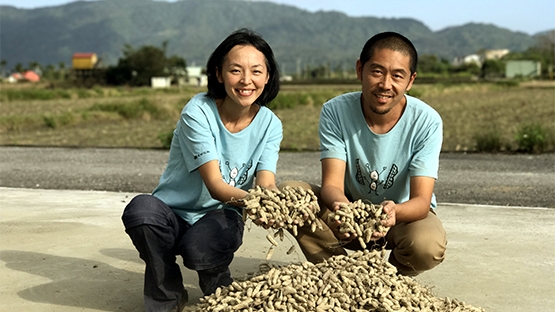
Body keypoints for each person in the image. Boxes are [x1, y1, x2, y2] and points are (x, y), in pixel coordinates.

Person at [121, 28, 282, 312]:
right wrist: (257, 204)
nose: (246, 81)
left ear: (268, 76)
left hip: (222, 214)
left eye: (256, 71)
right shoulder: (198, 111)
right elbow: (215, 185)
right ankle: (166, 294)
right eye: (236, 70)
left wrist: (274, 204)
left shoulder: (270, 124)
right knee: (141, 213)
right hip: (173, 213)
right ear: (219, 74)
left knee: (202, 247)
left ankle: (216, 281)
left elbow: (266, 181)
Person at [280, 31, 446, 277]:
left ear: (410, 81)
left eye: (397, 75)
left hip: (400, 218)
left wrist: (393, 213)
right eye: (377, 71)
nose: (385, 85)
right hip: (345, 213)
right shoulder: (335, 111)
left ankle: (389, 281)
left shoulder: (426, 121)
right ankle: (341, 275)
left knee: (426, 245)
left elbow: (421, 202)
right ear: (360, 70)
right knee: (290, 194)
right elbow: (332, 185)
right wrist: (345, 211)